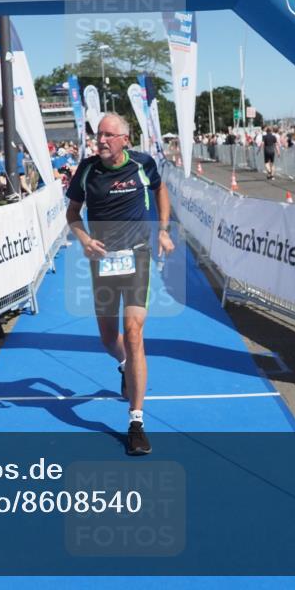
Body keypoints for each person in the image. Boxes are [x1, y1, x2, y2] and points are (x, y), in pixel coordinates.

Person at [64, 113, 175, 456]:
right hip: (103, 260)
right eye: (99, 134)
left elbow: (161, 191)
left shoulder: (143, 164)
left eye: (108, 135)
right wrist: (84, 239)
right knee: (108, 339)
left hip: (137, 256)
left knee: (134, 332)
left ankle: (136, 422)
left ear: (125, 139)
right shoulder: (87, 170)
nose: (101, 140)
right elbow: (72, 214)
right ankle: (126, 365)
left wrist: (163, 229)